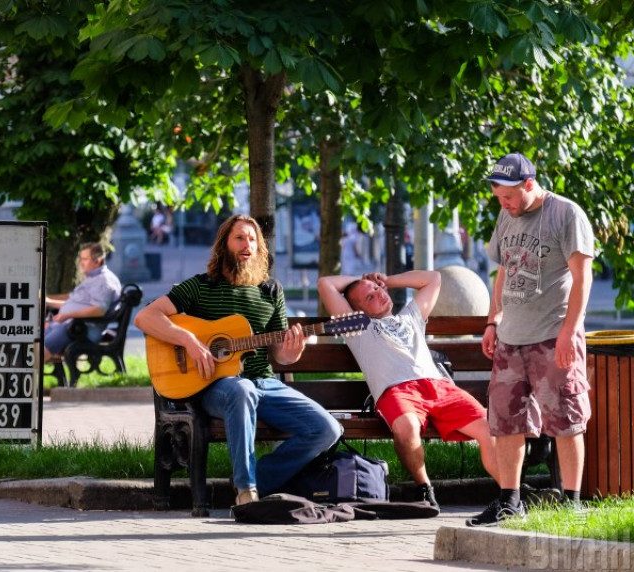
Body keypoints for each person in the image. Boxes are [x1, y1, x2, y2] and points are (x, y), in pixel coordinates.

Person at [134, 214, 342, 505]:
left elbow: (280, 353)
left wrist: (293, 351)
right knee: (241, 390)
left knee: (327, 429)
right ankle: (247, 492)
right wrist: (190, 341)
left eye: (252, 239)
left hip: (265, 384)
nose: (247, 245)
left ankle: (258, 479)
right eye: (240, 238)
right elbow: (146, 317)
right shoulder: (201, 286)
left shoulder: (271, 291)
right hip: (215, 386)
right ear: (224, 244)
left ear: (260, 248)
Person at [469, 152, 595, 527]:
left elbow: (582, 277)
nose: (503, 205)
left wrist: (570, 331)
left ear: (528, 184)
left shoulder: (566, 214)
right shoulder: (507, 215)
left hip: (552, 334)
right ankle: (510, 501)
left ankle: (571, 502)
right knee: (506, 421)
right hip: (511, 339)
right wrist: (494, 321)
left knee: (566, 419)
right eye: (498, 198)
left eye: (508, 196)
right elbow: (503, 271)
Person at [318, 270, 499, 511]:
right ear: (358, 311)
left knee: (489, 426)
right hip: (397, 392)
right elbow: (325, 283)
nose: (378, 295)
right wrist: (357, 280)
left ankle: (510, 491)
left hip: (439, 386)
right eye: (369, 298)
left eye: (376, 289)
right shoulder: (358, 328)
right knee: (407, 427)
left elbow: (433, 279)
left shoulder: (410, 316)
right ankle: (424, 488)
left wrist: (387, 280)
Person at [44, 242, 122, 362]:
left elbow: (99, 310)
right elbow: (74, 303)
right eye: (80, 258)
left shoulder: (104, 281)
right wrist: (49, 303)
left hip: (81, 329)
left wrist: (66, 315)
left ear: (98, 260)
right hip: (71, 325)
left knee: (37, 351)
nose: (80, 262)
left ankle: (27, 376)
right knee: (31, 340)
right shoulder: (92, 278)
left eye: (85, 259)